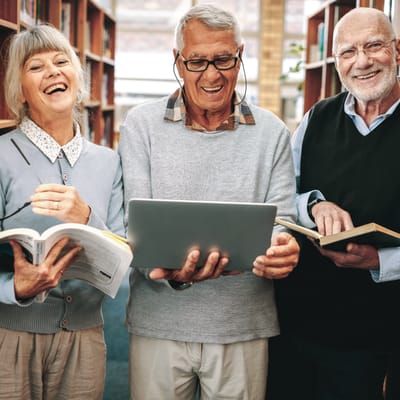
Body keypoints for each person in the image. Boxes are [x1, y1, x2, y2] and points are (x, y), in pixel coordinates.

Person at [118, 4, 300, 399]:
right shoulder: (140, 126)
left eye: (223, 59)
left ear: (241, 55)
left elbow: (283, 220)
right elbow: (130, 225)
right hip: (159, 323)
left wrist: (284, 246)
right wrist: (170, 270)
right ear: (177, 62)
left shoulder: (272, 132)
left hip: (241, 324)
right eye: (197, 61)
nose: (212, 74)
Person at [267, 7, 400, 400]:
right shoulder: (316, 117)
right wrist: (313, 205)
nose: (362, 61)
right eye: (348, 52)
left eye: (374, 46)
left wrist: (381, 262)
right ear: (336, 61)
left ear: (397, 50)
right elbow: (280, 193)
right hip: (296, 320)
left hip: (374, 334)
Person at [0, 25, 124, 399]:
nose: (53, 71)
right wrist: (13, 289)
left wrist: (86, 217)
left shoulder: (109, 162)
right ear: (20, 91)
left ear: (77, 77)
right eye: (36, 67)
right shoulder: (2, 155)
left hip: (85, 338)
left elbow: (123, 253)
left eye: (61, 61)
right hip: (11, 337)